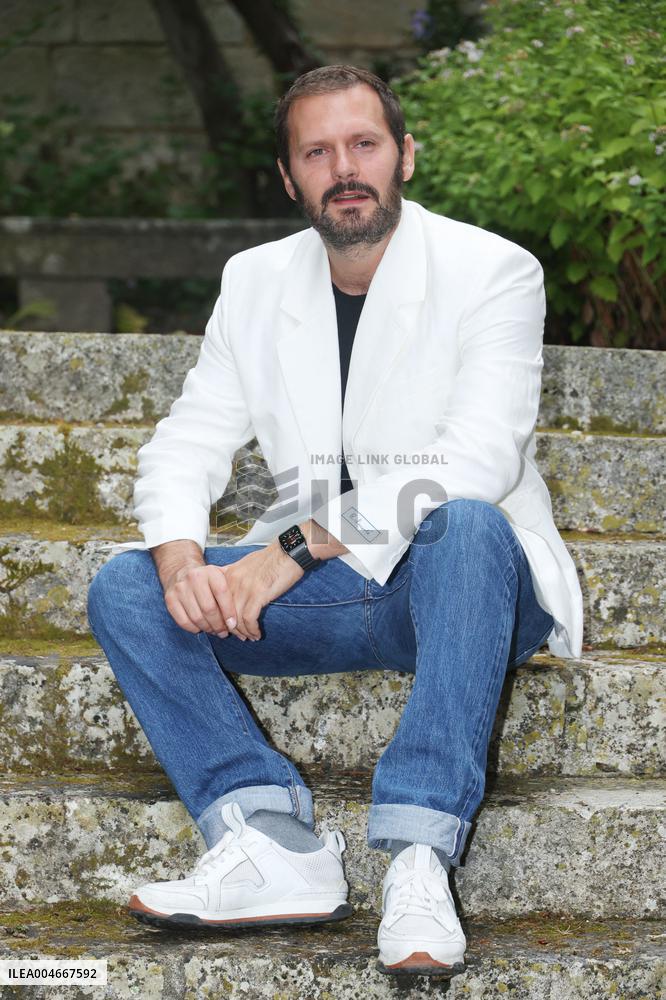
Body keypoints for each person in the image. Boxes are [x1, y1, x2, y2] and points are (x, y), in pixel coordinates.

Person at [87, 65, 583, 978]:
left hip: (469, 589)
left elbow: (479, 456)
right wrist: (184, 563)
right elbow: (187, 440)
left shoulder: (493, 270)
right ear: (289, 176)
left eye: (364, 144)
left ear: (403, 156)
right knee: (126, 585)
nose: (343, 168)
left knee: (468, 521)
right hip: (336, 595)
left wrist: (289, 549)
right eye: (317, 151)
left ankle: (420, 856)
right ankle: (268, 836)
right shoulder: (254, 281)